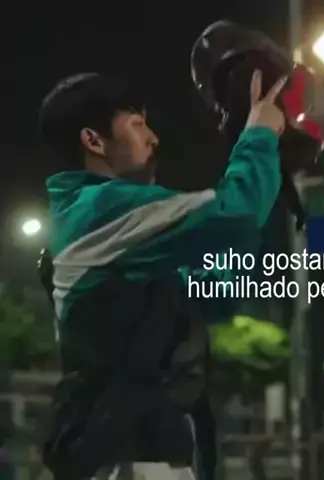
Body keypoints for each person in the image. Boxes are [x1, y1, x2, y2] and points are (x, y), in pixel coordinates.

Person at [37, 70, 287, 480]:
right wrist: (258, 138)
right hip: (122, 454)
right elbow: (237, 214)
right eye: (137, 124)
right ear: (94, 140)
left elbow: (217, 296)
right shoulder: (100, 210)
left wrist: (262, 173)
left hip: (138, 447)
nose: (153, 138)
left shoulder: (112, 224)